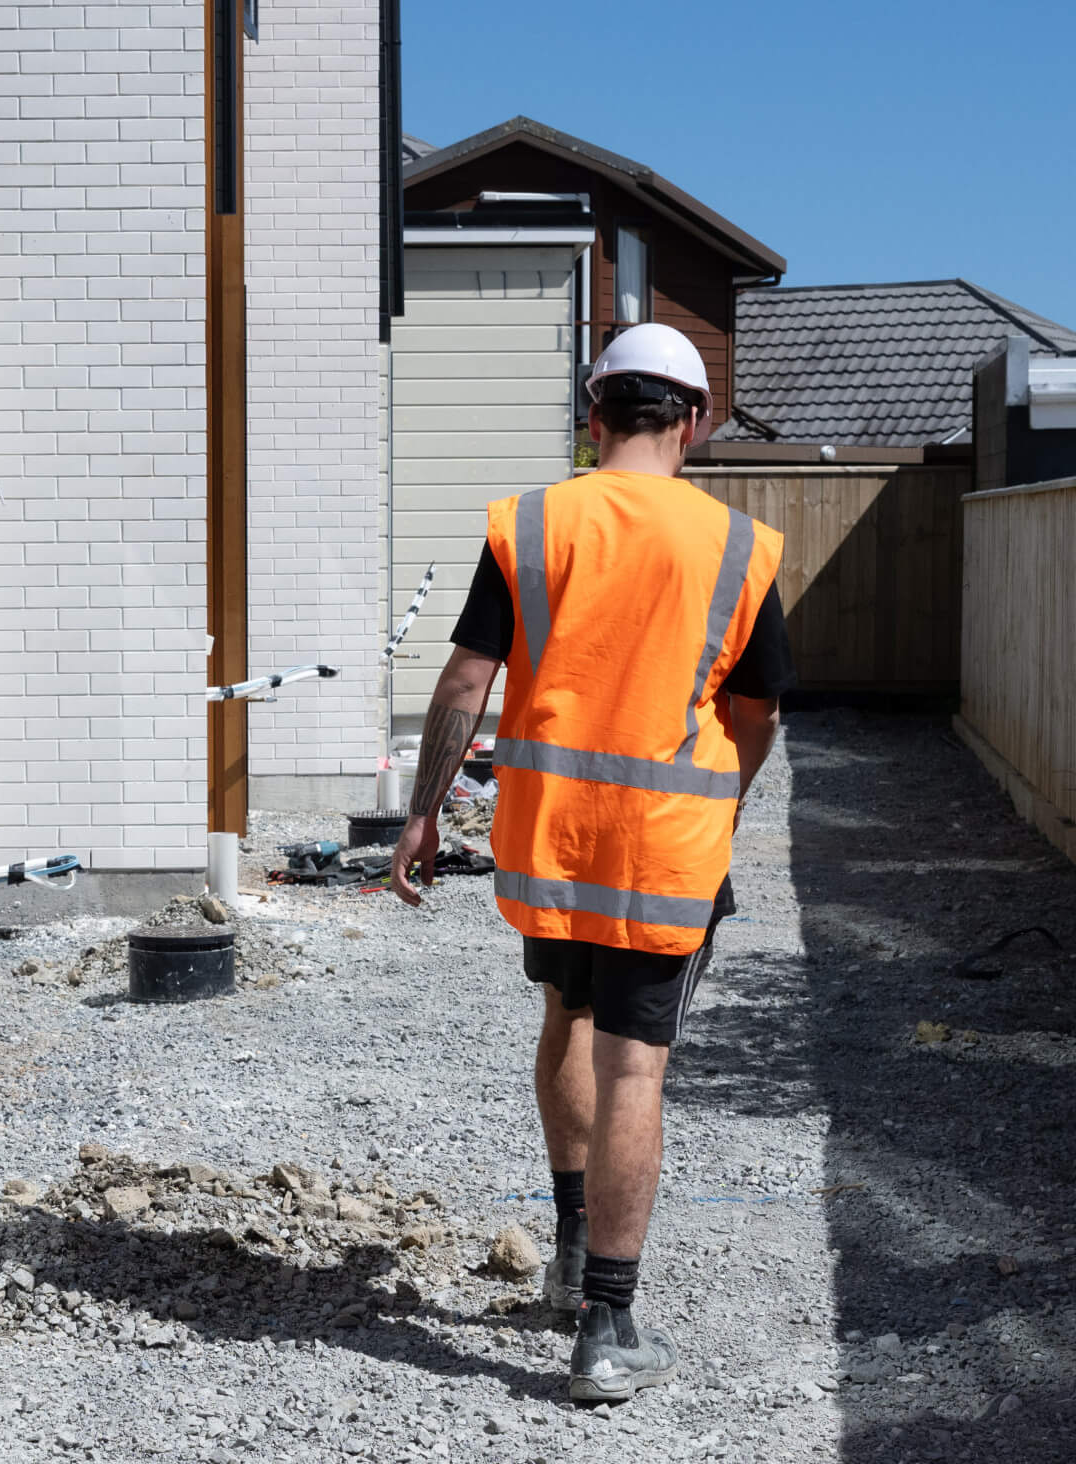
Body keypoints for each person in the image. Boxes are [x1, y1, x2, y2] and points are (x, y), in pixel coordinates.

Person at [387, 323, 795, 1403]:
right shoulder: (739, 546)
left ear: (593, 412)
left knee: (565, 1019)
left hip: (549, 844)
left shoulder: (532, 521)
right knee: (634, 1065)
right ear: (694, 424)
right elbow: (753, 717)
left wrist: (423, 816)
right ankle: (607, 1325)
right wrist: (718, 812)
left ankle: (571, 1250)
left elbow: (467, 676)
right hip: (664, 856)